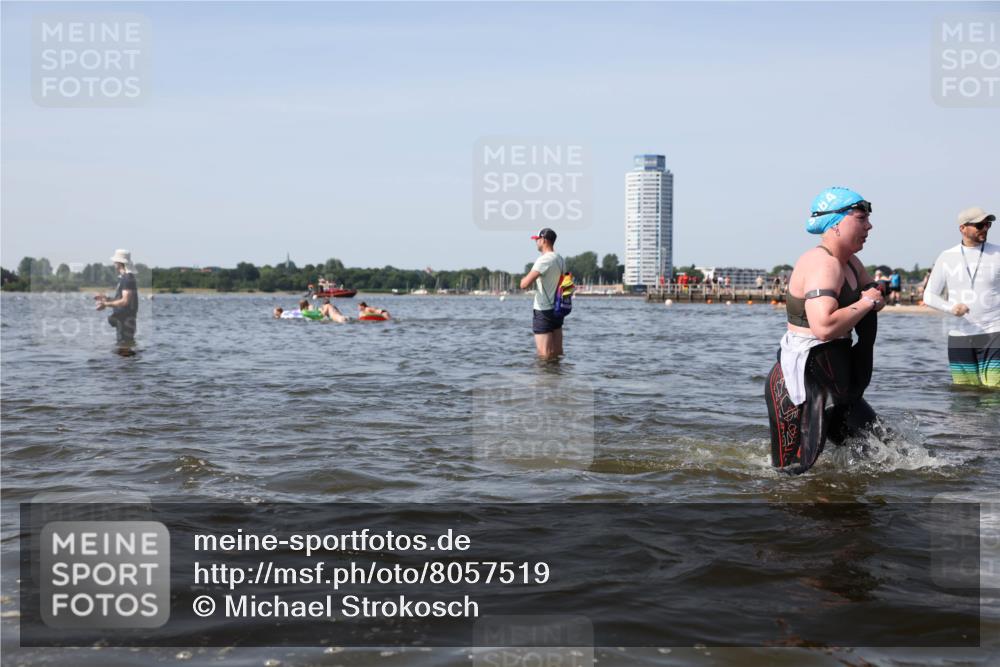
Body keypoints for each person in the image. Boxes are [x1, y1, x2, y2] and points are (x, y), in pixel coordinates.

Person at [763, 187, 886, 474]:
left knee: (884, 450)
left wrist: (871, 296)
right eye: (861, 218)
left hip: (836, 377)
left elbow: (871, 291)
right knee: (791, 474)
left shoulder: (851, 263)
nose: (869, 225)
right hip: (801, 383)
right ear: (836, 222)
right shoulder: (823, 264)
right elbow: (824, 326)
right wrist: (868, 301)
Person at [922, 206, 999, 388]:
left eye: (988, 224)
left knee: (995, 392)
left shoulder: (998, 253)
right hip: (960, 336)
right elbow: (929, 295)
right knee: (965, 394)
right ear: (962, 228)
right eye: (980, 225)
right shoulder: (947, 257)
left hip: (995, 332)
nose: (985, 228)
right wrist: (951, 308)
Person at [519, 228, 566, 360]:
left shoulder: (543, 260)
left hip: (544, 310)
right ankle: (557, 377)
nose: (536, 242)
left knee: (544, 353)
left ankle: (544, 380)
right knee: (557, 351)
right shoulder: (560, 259)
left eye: (537, 240)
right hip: (558, 309)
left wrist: (523, 279)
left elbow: (524, 284)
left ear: (544, 240)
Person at [94, 249, 139, 346]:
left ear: (120, 263)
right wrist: (106, 298)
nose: (113, 262)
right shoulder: (124, 278)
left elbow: (125, 301)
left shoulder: (128, 279)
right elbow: (122, 299)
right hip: (123, 321)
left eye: (115, 260)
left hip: (126, 322)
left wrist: (105, 304)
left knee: (124, 351)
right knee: (123, 350)